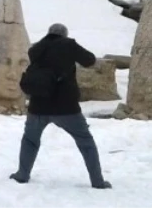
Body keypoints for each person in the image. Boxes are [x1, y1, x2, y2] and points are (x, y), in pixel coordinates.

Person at [10, 23, 112, 189]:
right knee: (85, 141)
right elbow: (89, 60)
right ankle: (97, 181)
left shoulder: (35, 49)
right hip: (66, 107)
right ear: (64, 34)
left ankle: (22, 175)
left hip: (38, 106)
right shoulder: (68, 45)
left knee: (30, 140)